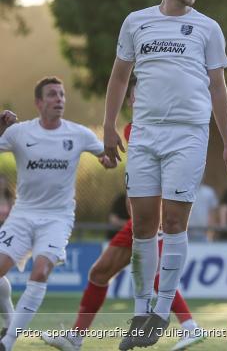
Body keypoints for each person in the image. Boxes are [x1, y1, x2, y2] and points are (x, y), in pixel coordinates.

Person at [102, 0, 227, 350]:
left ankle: (162, 312)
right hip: (144, 134)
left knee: (175, 222)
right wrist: (109, 126)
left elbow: (218, 87)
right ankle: (141, 310)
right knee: (143, 224)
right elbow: (117, 79)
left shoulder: (208, 29)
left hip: (189, 135)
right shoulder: (136, 22)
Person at [41, 76, 206, 351]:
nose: (139, 99)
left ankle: (190, 327)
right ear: (130, 100)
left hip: (157, 215)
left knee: (149, 273)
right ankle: (75, 338)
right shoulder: (132, 130)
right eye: (136, 95)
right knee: (100, 273)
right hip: (137, 219)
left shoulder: (164, 127)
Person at [0, 77, 113, 351]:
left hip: (57, 219)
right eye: (52, 95)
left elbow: (107, 158)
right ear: (39, 103)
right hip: (22, 215)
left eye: (62, 95)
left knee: (41, 271)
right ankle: (9, 320)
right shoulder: (19, 133)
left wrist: (110, 156)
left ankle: (7, 342)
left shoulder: (79, 134)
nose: (59, 99)